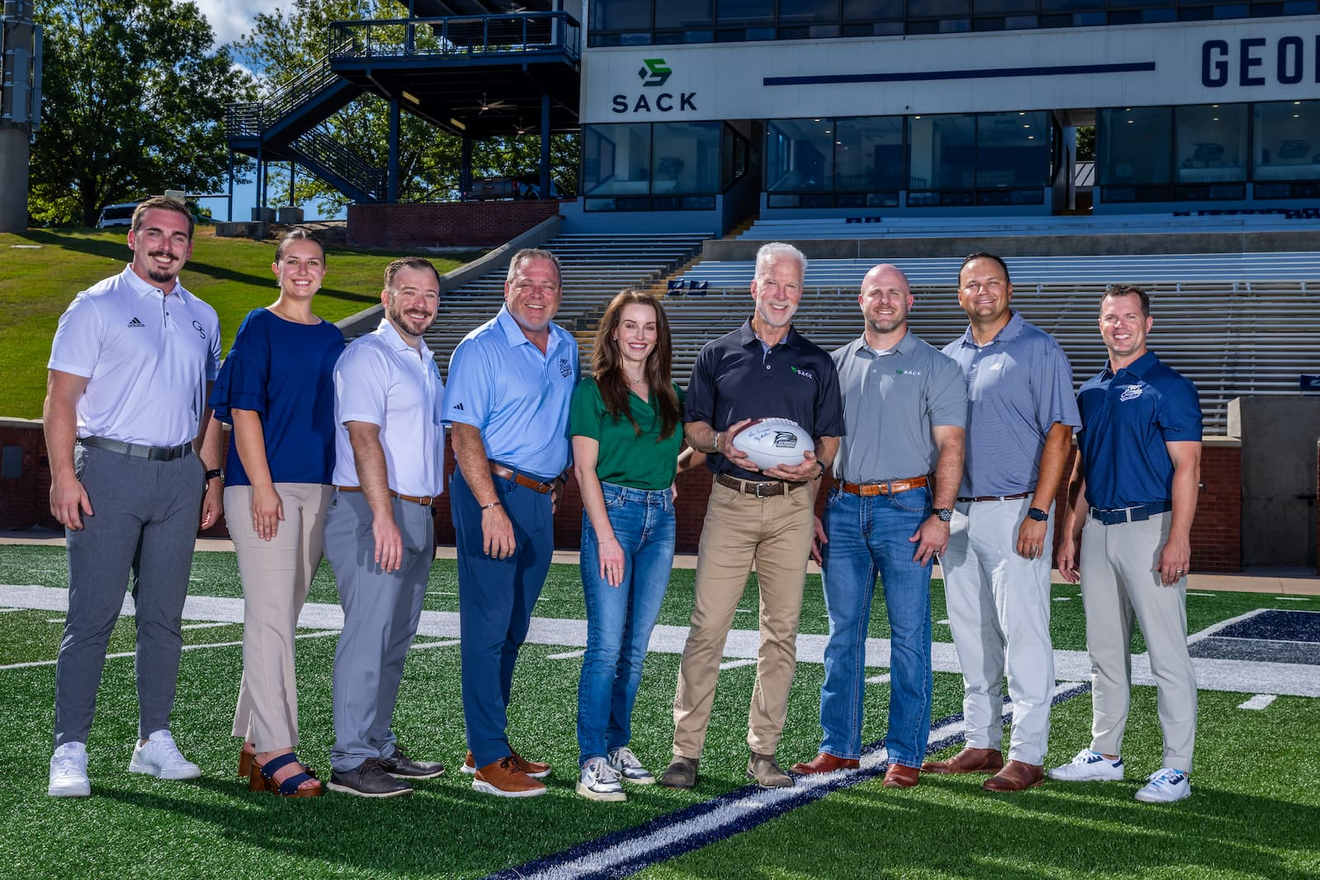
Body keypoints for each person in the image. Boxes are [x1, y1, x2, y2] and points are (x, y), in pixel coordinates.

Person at [45, 196, 223, 797]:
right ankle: (69, 747)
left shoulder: (205, 315)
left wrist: (209, 476)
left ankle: (153, 739)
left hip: (178, 476)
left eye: (177, 237)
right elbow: (60, 399)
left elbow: (208, 408)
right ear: (132, 238)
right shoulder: (94, 305)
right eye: (154, 234)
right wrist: (64, 475)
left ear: (189, 249)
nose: (165, 246)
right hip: (108, 473)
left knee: (164, 619)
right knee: (92, 617)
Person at [659, 242, 844, 791]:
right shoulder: (717, 354)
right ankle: (684, 752)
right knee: (706, 628)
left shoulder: (817, 361)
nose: (781, 294)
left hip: (790, 509)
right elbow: (693, 428)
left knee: (780, 632)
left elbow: (830, 436)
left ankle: (764, 753)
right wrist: (720, 441)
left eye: (791, 285)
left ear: (800, 293)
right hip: (731, 500)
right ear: (754, 287)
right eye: (772, 283)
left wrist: (817, 466)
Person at [793, 264, 966, 788]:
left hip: (908, 510)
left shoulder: (938, 366)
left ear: (910, 301)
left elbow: (951, 446)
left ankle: (905, 753)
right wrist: (808, 513)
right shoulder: (833, 364)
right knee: (842, 635)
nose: (885, 300)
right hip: (843, 508)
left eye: (894, 293)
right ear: (860, 300)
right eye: (875, 293)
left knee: (910, 637)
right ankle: (839, 747)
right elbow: (818, 448)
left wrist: (940, 516)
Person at [924, 252, 1080, 792]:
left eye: (993, 283)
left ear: (1009, 290)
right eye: (972, 284)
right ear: (960, 294)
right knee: (972, 635)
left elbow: (1061, 434)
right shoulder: (948, 357)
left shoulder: (1039, 348)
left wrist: (1040, 511)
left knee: (1024, 634)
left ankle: (1027, 753)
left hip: (1017, 510)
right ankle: (981, 741)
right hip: (959, 514)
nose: (983, 292)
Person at [1051, 285, 1202, 804]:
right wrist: (1071, 533)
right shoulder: (1090, 391)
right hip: (1099, 530)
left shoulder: (1170, 387)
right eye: (1110, 317)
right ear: (1100, 325)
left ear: (1148, 324)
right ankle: (1105, 755)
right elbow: (1085, 472)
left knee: (1167, 655)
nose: (1120, 325)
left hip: (1150, 529)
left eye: (1129, 317)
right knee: (1105, 651)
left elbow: (1188, 468)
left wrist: (1178, 539)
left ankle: (1176, 768)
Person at [208, 228, 343, 797]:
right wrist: (260, 486)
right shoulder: (258, 326)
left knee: (279, 620)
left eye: (313, 262)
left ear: (324, 273)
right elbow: (241, 411)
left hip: (320, 490)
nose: (303, 271)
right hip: (263, 489)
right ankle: (275, 749)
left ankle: (248, 744)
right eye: (293, 261)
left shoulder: (336, 339)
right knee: (267, 617)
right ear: (276, 268)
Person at [444, 248, 578, 798]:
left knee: (515, 628)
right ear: (507, 287)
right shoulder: (480, 348)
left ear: (559, 293)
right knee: (487, 626)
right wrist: (490, 506)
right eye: (527, 283)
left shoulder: (567, 344)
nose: (538, 293)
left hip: (538, 499)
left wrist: (555, 483)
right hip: (491, 494)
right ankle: (487, 761)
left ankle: (488, 741)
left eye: (548, 285)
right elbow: (463, 434)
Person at [324, 258, 447, 798]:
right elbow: (363, 438)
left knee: (395, 639)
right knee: (367, 634)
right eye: (409, 292)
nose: (420, 303)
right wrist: (383, 518)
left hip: (417, 510)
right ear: (386, 296)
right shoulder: (367, 356)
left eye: (429, 295)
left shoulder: (424, 358)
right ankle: (350, 759)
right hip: (372, 510)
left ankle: (376, 745)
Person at [570, 290, 698, 801]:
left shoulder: (671, 393)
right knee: (605, 645)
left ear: (658, 335)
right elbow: (584, 470)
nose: (640, 335)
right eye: (630, 325)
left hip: (660, 522)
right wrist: (605, 537)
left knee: (636, 648)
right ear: (614, 331)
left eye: (649, 326)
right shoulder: (593, 391)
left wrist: (671, 473)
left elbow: (692, 449)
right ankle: (592, 759)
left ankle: (618, 744)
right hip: (614, 516)